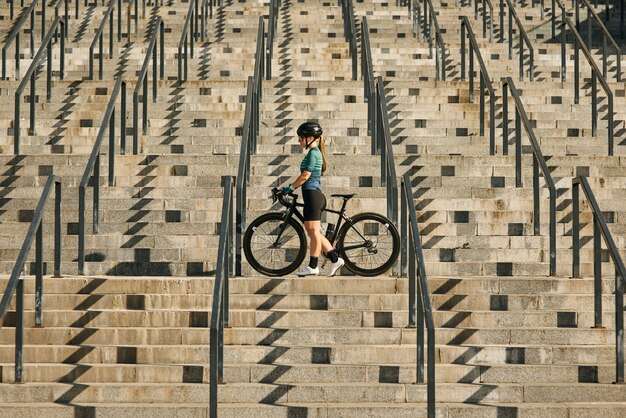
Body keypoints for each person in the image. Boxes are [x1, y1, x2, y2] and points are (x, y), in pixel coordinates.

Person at [278, 121, 344, 277]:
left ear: (310, 138)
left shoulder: (314, 153)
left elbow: (305, 176)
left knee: (313, 233)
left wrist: (290, 188)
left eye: (301, 138)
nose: (299, 141)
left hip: (313, 195)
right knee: (312, 231)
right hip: (311, 195)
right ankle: (335, 258)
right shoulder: (313, 153)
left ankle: (313, 266)